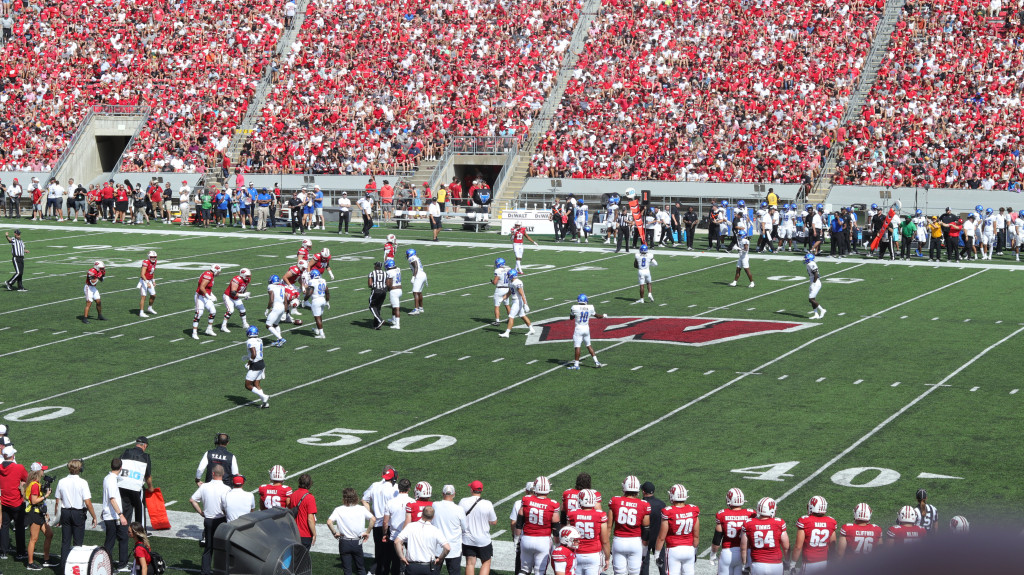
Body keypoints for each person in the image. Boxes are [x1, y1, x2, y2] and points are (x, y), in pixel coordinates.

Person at [54, 459, 98, 572]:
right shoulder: (83, 482)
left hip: (65, 513)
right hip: (78, 514)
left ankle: (63, 567)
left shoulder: (62, 481)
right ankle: (74, 568)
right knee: (77, 543)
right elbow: (88, 502)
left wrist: (57, 517)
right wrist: (94, 516)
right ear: (80, 469)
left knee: (65, 542)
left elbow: (57, 502)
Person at [515, 476, 560, 575]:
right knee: (539, 572)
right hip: (543, 541)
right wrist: (557, 544)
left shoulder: (526, 500)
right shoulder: (553, 504)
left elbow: (519, 523)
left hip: (526, 539)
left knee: (524, 570)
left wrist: (516, 539)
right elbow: (556, 527)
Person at [190, 464, 230, 575]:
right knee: (222, 547)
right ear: (223, 474)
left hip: (208, 520)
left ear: (213, 473)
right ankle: (221, 571)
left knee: (208, 547)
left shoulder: (204, 486)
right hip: (221, 519)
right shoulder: (226, 489)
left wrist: (201, 513)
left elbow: (192, 500)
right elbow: (228, 506)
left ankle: (205, 571)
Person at [608, 476, 651, 575]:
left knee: (619, 573)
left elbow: (609, 527)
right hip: (635, 542)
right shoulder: (644, 504)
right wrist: (644, 549)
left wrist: (606, 545)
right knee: (634, 573)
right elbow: (646, 529)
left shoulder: (615, 501)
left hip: (619, 541)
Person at [328, 487, 375, 575]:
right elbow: (373, 519)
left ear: (344, 498)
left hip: (344, 542)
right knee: (361, 568)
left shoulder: (338, 509)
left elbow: (329, 522)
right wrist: (367, 532)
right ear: (355, 497)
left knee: (347, 570)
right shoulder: (361, 509)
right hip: (357, 542)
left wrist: (334, 533)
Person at [362, 465, 399, 575]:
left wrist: (371, 515)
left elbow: (364, 500)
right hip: (390, 524)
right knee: (391, 554)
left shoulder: (375, 486)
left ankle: (373, 571)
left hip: (376, 524)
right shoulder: (395, 488)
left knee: (379, 551)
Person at [653, 485, 698, 575]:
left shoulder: (668, 511)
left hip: (673, 550)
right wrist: (695, 551)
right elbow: (696, 536)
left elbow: (661, 537)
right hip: (689, 550)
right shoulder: (693, 509)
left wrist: (657, 554)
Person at [395, 506, 451, 575]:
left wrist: (402, 557)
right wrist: (440, 558)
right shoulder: (435, 530)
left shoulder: (410, 526)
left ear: (422, 514)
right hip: (429, 567)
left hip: (412, 567)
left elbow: (397, 541)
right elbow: (447, 548)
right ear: (433, 517)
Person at [739, 498, 789, 575]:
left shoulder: (749, 523)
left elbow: (743, 548)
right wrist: (787, 561)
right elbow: (786, 547)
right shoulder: (779, 523)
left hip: (757, 565)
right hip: (776, 565)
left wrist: (744, 564)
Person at [710, 488, 753, 575]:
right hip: (743, 554)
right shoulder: (751, 514)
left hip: (727, 553)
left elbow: (717, 539)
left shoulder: (722, 514)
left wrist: (713, 553)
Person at [567, 489, 609, 575]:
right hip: (594, 554)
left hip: (576, 553)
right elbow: (605, 541)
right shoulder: (600, 515)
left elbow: (568, 536)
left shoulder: (572, 514)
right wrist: (607, 558)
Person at [460, 481, 497, 575]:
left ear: (471, 489)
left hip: (467, 539)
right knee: (486, 562)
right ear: (482, 490)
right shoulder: (487, 503)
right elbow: (494, 521)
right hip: (483, 539)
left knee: (470, 563)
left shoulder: (463, 501)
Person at [24, 462, 56, 570]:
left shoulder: (35, 483)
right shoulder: (34, 485)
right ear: (38, 471)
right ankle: (30, 563)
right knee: (34, 538)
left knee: (49, 534)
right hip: (34, 514)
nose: (44, 471)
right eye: (42, 469)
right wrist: (46, 496)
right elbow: (33, 501)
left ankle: (46, 560)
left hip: (39, 512)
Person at [791, 496, 835, 574]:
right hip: (824, 562)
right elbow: (833, 545)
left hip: (809, 562)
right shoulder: (831, 521)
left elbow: (798, 547)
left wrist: (793, 564)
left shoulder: (805, 521)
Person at [118, 437, 153, 529]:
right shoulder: (145, 457)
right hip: (136, 487)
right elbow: (148, 476)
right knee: (139, 510)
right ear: (145, 445)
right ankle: (141, 532)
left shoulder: (125, 453)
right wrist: (150, 487)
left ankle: (124, 529)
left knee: (125, 509)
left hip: (122, 485)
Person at [0, 445, 28, 560]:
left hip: (3, 501)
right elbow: (26, 478)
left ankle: (3, 551)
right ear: (13, 456)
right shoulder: (19, 467)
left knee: (4, 526)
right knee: (19, 527)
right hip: (16, 502)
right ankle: (20, 552)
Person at [102, 459, 130, 569]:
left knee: (117, 538)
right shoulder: (112, 480)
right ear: (121, 467)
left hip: (110, 514)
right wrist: (121, 515)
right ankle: (109, 564)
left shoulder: (107, 478)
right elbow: (112, 499)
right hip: (113, 516)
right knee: (111, 541)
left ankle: (110, 564)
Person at [432, 486, 468, 575]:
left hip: (437, 547)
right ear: (454, 494)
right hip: (453, 548)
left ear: (443, 493)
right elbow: (465, 527)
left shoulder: (435, 505)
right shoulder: (459, 509)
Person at [383, 478, 414, 575]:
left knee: (396, 563)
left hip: (394, 536)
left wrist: (384, 534)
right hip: (409, 536)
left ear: (398, 487)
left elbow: (385, 522)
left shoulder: (390, 502)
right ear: (409, 489)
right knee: (411, 560)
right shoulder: (413, 502)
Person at [567, 294, 606, 370]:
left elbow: (571, 318)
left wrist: (574, 314)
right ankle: (597, 362)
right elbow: (597, 316)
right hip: (586, 329)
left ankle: (576, 365)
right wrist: (603, 316)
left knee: (577, 347)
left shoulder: (574, 307)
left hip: (578, 329)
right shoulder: (590, 307)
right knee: (589, 345)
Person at [499, 269, 535, 338]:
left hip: (518, 301)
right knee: (522, 315)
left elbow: (522, 294)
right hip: (515, 301)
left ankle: (507, 333)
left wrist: (525, 304)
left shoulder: (517, 282)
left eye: (509, 275)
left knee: (511, 316)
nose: (508, 276)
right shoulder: (511, 282)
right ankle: (531, 329)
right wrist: (502, 298)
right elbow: (509, 292)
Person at [193, 264, 223, 339]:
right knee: (199, 313)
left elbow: (207, 288)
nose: (218, 273)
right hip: (200, 296)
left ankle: (209, 329)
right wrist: (208, 296)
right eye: (218, 272)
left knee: (213, 311)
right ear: (215, 270)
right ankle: (194, 332)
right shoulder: (208, 275)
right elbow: (202, 287)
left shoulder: (210, 274)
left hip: (205, 296)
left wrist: (211, 294)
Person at [641, 483, 665, 575]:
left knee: (644, 566)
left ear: (643, 491)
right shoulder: (661, 504)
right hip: (658, 538)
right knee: (662, 565)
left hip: (644, 538)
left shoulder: (641, 504)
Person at [510, 482, 534, 575]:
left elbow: (513, 523)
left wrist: (514, 536)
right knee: (539, 569)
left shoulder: (518, 503)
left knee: (521, 567)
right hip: (539, 538)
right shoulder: (545, 504)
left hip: (522, 538)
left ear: (526, 491)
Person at [244, 327, 271, 408]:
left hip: (255, 364)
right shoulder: (259, 340)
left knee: (248, 385)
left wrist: (249, 363)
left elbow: (254, 353)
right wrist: (248, 357)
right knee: (256, 384)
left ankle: (264, 396)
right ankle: (265, 403)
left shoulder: (250, 341)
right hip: (261, 363)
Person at [290, 473, 318, 549]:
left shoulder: (293, 495)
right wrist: (314, 533)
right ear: (309, 484)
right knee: (302, 559)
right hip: (305, 534)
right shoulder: (309, 497)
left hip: (294, 533)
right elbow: (310, 518)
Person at [221, 268, 253, 332]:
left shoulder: (247, 279)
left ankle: (244, 324)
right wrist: (244, 295)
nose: (248, 277)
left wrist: (245, 293)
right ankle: (223, 326)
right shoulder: (236, 280)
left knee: (242, 309)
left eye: (249, 276)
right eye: (247, 276)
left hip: (236, 297)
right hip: (228, 296)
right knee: (230, 310)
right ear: (242, 275)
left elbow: (244, 286)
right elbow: (233, 293)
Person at [306, 269, 330, 338]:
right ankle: (318, 329)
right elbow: (327, 292)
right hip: (323, 299)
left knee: (317, 317)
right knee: (319, 316)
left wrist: (305, 300)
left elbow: (310, 293)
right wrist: (327, 301)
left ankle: (322, 334)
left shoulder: (312, 281)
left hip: (316, 300)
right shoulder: (323, 280)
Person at [406, 249, 428, 315]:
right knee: (419, 292)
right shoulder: (416, 257)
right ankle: (421, 308)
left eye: (407, 254)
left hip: (419, 275)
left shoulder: (411, 258)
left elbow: (416, 267)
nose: (407, 255)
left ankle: (416, 309)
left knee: (415, 292)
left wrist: (413, 277)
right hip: (423, 274)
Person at [491, 258, 512, 326]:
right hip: (507, 288)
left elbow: (495, 282)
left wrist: (492, 282)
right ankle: (510, 319)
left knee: (497, 306)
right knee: (507, 305)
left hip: (500, 289)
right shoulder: (509, 268)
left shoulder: (498, 270)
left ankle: (497, 321)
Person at [138, 251, 159, 318]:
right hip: (144, 280)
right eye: (152, 257)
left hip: (149, 280)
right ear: (149, 257)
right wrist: (147, 282)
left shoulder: (155, 262)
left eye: (154, 257)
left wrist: (153, 280)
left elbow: (152, 272)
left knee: (153, 295)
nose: (153, 258)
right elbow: (142, 274)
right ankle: (141, 312)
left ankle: (150, 308)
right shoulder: (146, 262)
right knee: (143, 296)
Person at [368, 262, 389, 330]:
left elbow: (370, 284)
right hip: (383, 292)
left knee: (371, 306)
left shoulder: (372, 273)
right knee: (378, 307)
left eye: (374, 265)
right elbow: (388, 284)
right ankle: (376, 324)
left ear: (376, 266)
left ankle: (380, 320)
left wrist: (375, 286)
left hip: (376, 291)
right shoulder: (385, 273)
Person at [804, 253, 825, 319]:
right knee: (812, 299)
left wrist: (813, 283)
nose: (805, 260)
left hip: (816, 283)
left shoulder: (811, 264)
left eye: (806, 258)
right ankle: (816, 314)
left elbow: (816, 274)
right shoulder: (809, 263)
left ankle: (822, 310)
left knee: (811, 299)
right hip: (813, 282)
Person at [383, 261, 402, 329]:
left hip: (394, 291)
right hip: (399, 289)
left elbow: (389, 284)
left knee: (396, 308)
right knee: (394, 306)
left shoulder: (389, 272)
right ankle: (393, 319)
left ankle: (397, 325)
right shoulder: (398, 269)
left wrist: (387, 289)